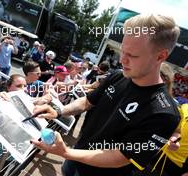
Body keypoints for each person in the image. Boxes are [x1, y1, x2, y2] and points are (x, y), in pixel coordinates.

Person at [31, 14, 181, 176]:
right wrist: (59, 111)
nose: (123, 60)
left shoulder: (164, 114)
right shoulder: (118, 75)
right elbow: (87, 102)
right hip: (75, 158)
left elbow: (120, 157)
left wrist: (66, 152)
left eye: (133, 55)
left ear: (161, 56)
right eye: (123, 51)